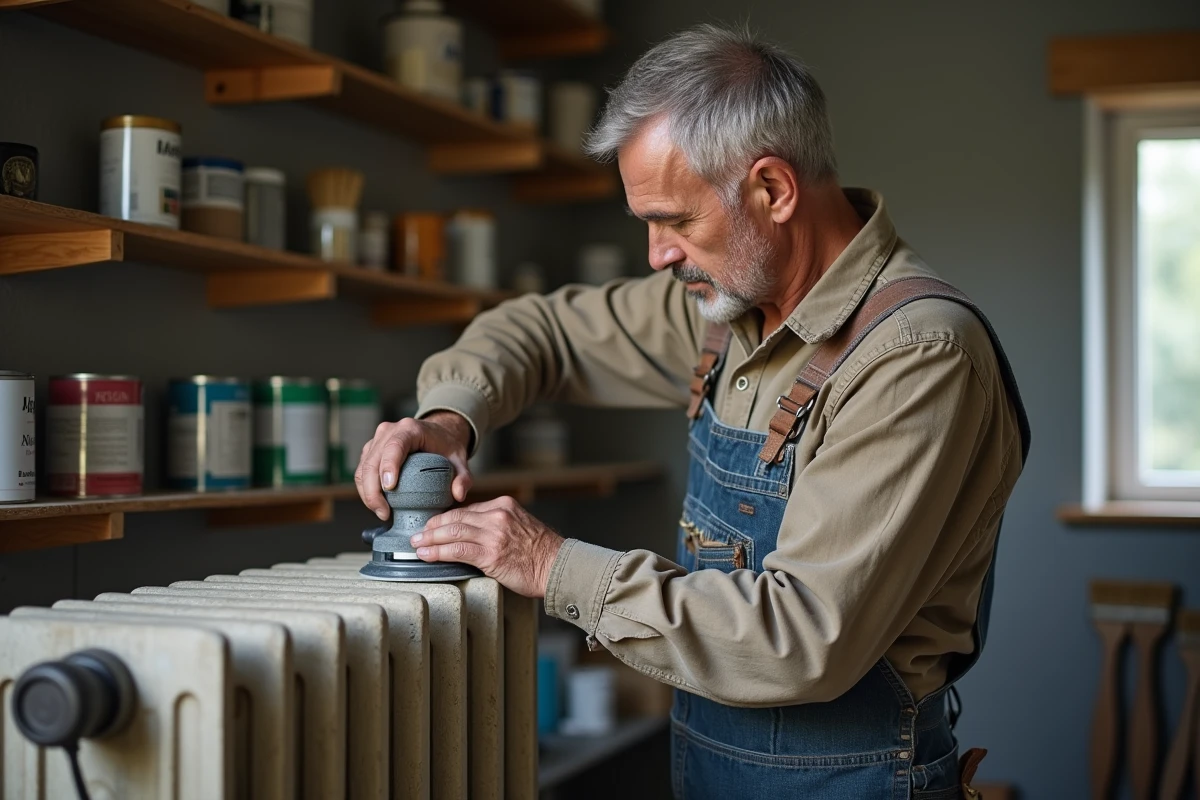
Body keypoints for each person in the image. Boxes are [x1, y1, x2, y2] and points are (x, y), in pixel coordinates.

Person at [356, 24, 1030, 799]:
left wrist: (550, 565)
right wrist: (449, 417)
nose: (657, 254)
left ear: (772, 190)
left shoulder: (916, 356)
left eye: (676, 221)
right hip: (710, 764)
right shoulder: (729, 312)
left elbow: (800, 638)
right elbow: (537, 331)